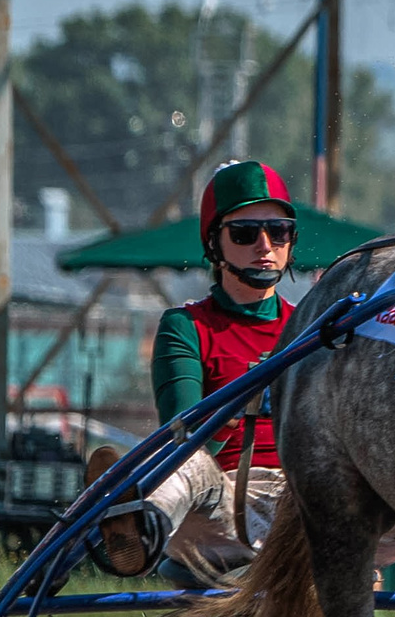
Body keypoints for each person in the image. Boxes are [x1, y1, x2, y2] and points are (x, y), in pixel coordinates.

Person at [88, 159, 306, 577]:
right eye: (245, 233)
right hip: (222, 503)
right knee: (187, 455)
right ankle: (139, 524)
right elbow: (184, 436)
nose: (265, 245)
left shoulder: (313, 327)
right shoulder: (186, 327)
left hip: (308, 501)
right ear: (214, 244)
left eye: (278, 231)